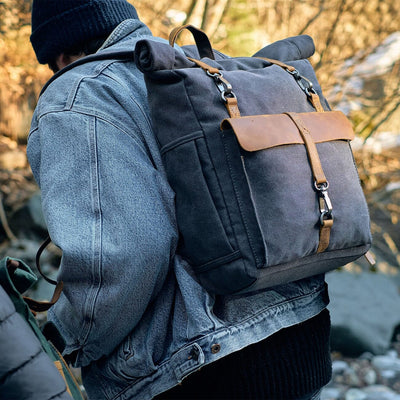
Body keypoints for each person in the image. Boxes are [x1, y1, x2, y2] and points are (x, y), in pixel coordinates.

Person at [28, 1, 332, 399]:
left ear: (61, 54)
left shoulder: (81, 94)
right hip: (301, 335)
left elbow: (121, 257)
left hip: (194, 372)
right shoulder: (204, 64)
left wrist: (63, 338)